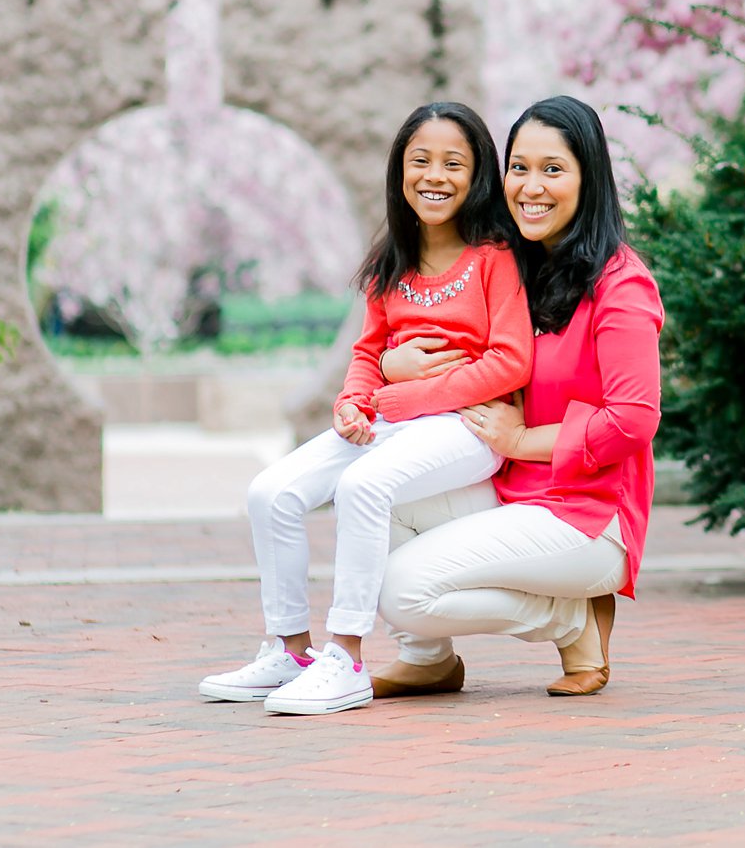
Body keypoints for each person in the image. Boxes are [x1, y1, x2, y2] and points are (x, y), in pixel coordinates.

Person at [199, 102, 533, 715]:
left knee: (362, 486)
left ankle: (346, 657)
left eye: (453, 163)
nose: (435, 175)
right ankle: (290, 650)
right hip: (390, 419)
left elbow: (510, 363)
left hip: (468, 428)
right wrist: (353, 403)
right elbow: (368, 352)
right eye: (421, 160)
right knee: (271, 492)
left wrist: (399, 396)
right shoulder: (391, 261)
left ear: (477, 174)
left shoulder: (495, 257)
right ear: (399, 172)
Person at [370, 94, 662, 699]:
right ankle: (427, 660)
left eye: (553, 169)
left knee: (400, 591)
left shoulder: (619, 283)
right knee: (382, 495)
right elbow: (451, 345)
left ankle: (572, 620)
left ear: (591, 179)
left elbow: (634, 419)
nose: (531, 186)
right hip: (512, 492)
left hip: (588, 517)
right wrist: (390, 364)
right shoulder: (517, 268)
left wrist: (523, 438)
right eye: (519, 167)